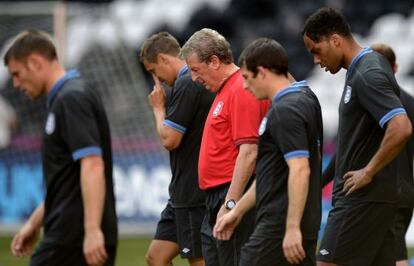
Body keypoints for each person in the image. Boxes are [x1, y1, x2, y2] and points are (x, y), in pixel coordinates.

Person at [303, 7, 412, 266]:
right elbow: (350, 145)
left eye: (316, 51)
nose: (316, 61)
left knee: (327, 263)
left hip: (362, 197)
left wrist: (369, 171)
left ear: (336, 40)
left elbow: (401, 126)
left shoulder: (367, 73)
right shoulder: (359, 71)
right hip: (375, 196)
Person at [6, 30, 117, 266]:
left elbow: (92, 165)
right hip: (71, 235)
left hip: (71, 238)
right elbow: (66, 180)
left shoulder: (71, 98)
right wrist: (34, 224)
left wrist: (92, 230)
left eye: (17, 74)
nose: (15, 84)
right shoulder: (67, 97)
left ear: (35, 63)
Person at [213, 37, 323, 265]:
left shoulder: (285, 110)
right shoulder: (306, 98)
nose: (244, 85)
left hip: (278, 226)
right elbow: (269, 174)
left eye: (246, 78)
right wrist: (237, 211)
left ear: (262, 72)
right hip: (302, 220)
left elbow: (300, 170)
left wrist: (291, 228)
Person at [180, 28, 269, 265]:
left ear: (215, 61)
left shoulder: (240, 88)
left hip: (231, 193)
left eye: (196, 70)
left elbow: (249, 152)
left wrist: (231, 204)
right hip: (217, 196)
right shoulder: (226, 90)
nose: (193, 78)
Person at [323, 43, 414, 266]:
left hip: (377, 190)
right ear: (395, 67)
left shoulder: (366, 91)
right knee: (390, 256)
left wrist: (320, 181)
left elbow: (345, 150)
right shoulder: (410, 102)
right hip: (403, 192)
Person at [140, 31, 215, 266]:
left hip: (195, 193)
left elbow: (169, 139)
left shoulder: (186, 82)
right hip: (181, 194)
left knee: (199, 260)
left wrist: (158, 108)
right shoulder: (190, 81)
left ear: (164, 59)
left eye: (153, 70)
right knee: (156, 256)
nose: (156, 78)